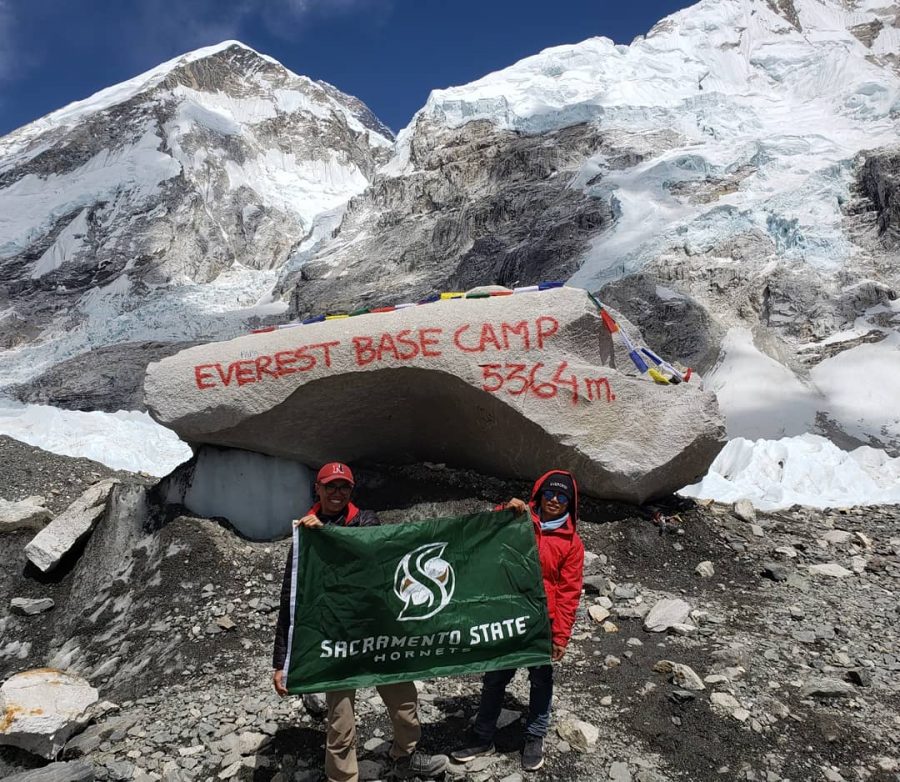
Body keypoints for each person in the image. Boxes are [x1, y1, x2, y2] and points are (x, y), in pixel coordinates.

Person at [272, 462, 448, 782]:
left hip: (377, 632)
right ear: (318, 489)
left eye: (344, 487)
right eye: (331, 486)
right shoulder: (305, 537)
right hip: (335, 638)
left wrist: (327, 535)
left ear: (351, 491)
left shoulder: (366, 519)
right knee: (339, 721)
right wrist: (281, 661)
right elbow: (290, 600)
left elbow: (369, 552)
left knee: (405, 703)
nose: (337, 493)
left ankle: (404, 757)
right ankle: (343, 777)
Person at [451, 469, 585, 772]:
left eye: (562, 496)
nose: (554, 499)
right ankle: (483, 735)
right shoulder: (517, 519)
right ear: (538, 495)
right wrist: (503, 509)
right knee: (496, 676)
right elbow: (485, 532)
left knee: (541, 680)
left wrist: (561, 636)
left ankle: (534, 736)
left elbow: (568, 592)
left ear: (570, 503)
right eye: (549, 493)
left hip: (542, 622)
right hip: (508, 614)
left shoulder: (572, 543)